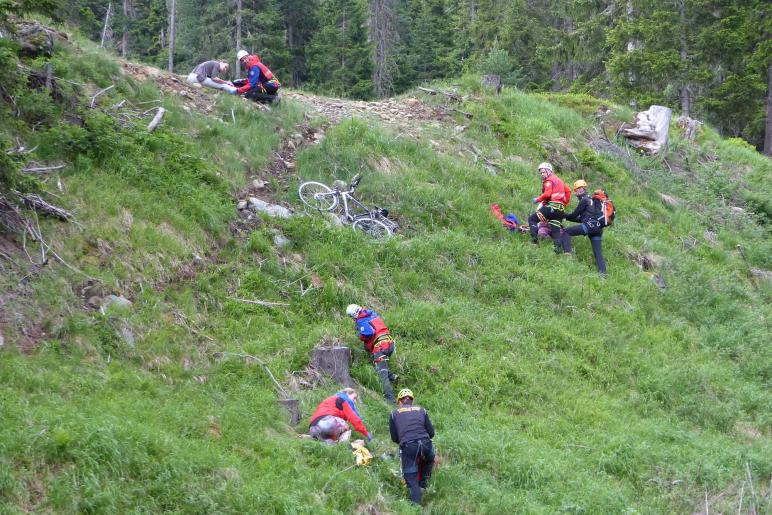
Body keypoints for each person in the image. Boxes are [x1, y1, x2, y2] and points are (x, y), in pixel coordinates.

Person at [389, 388, 435, 505]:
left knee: (412, 480)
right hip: (426, 445)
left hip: (409, 447)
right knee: (428, 462)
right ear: (411, 401)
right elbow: (431, 433)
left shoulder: (394, 414)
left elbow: (395, 438)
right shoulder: (422, 410)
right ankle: (423, 488)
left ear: (400, 402)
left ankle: (416, 506)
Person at [346, 304, 397, 403]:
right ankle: (393, 377)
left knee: (382, 376)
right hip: (389, 344)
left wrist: (360, 335)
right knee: (369, 350)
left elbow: (368, 333)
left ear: (353, 315)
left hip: (381, 347)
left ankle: (391, 401)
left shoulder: (361, 320)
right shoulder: (372, 314)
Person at [561, 179, 607, 275]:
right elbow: (581, 219)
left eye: (578, 189)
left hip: (589, 226)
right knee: (598, 253)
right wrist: (567, 217)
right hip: (598, 229)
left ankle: (567, 254)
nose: (577, 191)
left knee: (566, 232)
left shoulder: (584, 200)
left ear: (581, 190)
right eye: (577, 189)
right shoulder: (592, 200)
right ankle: (603, 275)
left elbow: (574, 215)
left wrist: (563, 215)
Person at [527, 162, 572, 251]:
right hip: (560, 210)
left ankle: (534, 242)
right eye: (541, 173)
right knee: (556, 231)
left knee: (532, 219)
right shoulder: (559, 181)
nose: (542, 174)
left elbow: (547, 194)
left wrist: (538, 199)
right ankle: (557, 250)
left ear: (549, 171)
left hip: (552, 206)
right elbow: (569, 191)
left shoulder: (549, 180)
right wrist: (564, 203)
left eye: (543, 172)